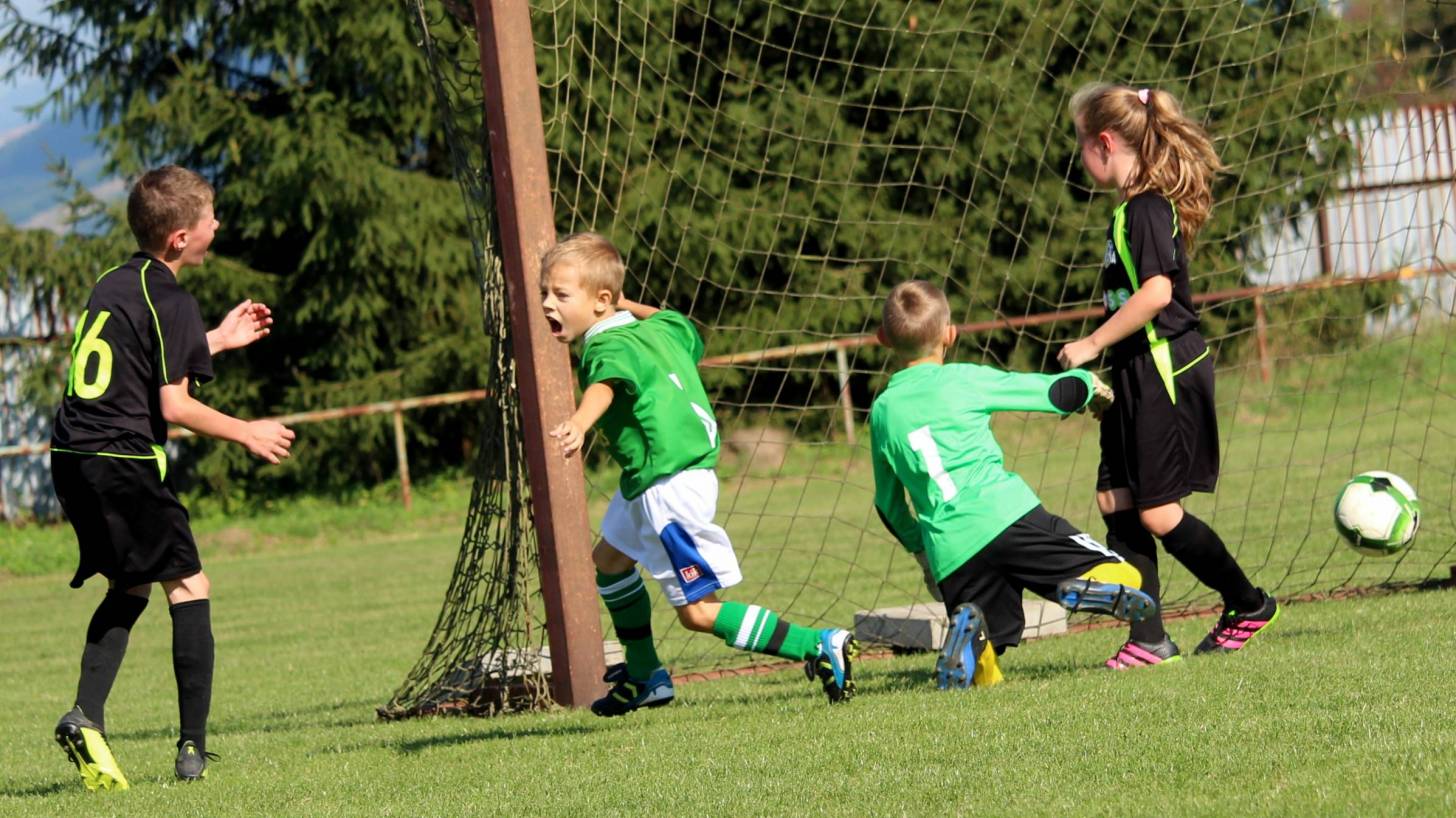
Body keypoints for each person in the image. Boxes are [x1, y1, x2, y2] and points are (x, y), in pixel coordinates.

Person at [50, 165, 295, 789]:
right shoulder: (172, 295)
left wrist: (217, 338)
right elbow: (174, 406)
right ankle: (191, 752)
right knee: (189, 585)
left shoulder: (114, 282)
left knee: (131, 585)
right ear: (182, 239)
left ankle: (87, 717)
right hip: (123, 460)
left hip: (72, 458)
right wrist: (248, 430)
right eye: (210, 217)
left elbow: (136, 360)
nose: (217, 224)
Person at [540, 232, 856, 716]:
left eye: (561, 295)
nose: (547, 303)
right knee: (609, 561)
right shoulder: (660, 330)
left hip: (669, 489)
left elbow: (604, 386)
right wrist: (624, 301)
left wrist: (580, 423)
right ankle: (647, 675)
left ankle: (817, 643)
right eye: (546, 292)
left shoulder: (605, 347)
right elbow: (680, 322)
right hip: (654, 479)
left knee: (698, 612)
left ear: (601, 303)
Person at [1057, 84, 1279, 669]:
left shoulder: (1149, 208)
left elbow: (1157, 292)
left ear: (1104, 142)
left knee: (1157, 512)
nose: (1080, 157)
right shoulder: (1128, 210)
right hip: (1133, 371)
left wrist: (1092, 343)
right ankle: (1148, 638)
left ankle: (1247, 603)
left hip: (1166, 369)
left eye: (1081, 144)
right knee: (1115, 498)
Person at [870, 279, 1157, 688]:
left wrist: (922, 552)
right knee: (1128, 577)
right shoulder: (963, 380)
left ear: (883, 339)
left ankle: (973, 639)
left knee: (985, 651)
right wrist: (1089, 388)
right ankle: (1085, 586)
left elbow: (888, 503)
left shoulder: (882, 412)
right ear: (950, 335)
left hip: (951, 550)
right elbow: (1047, 392)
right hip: (1009, 518)